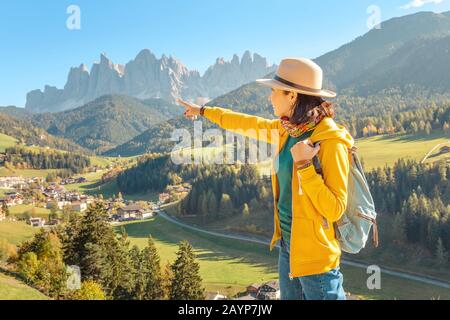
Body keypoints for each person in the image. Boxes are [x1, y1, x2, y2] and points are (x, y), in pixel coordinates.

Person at [177, 57, 354, 300]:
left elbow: (334, 209)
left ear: (292, 95)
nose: (270, 97)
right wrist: (204, 111)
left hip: (316, 258)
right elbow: (243, 122)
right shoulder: (287, 130)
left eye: (274, 91)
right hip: (287, 247)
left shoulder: (330, 141)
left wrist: (304, 166)